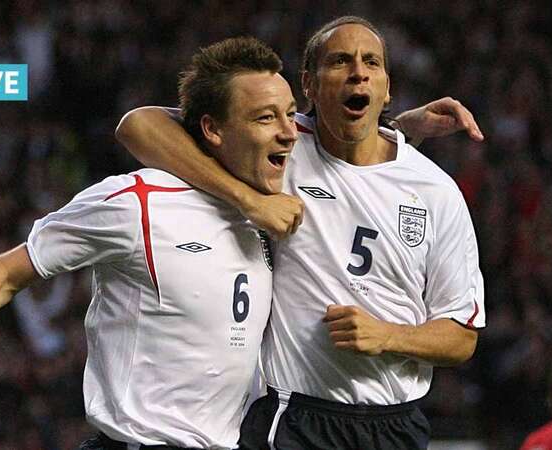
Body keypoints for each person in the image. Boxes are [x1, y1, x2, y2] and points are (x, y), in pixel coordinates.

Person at [0, 36, 292, 450]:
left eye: (291, 116)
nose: (290, 133)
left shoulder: (273, 204)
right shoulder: (138, 201)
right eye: (265, 118)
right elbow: (6, 271)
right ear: (212, 129)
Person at [115, 16, 485, 449]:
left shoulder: (435, 189)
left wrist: (388, 335)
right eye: (340, 61)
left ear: (387, 87)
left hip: (397, 426)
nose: (358, 72)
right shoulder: (280, 145)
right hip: (294, 416)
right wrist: (248, 199)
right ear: (308, 84)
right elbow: (137, 127)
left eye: (372, 63)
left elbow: (461, 336)